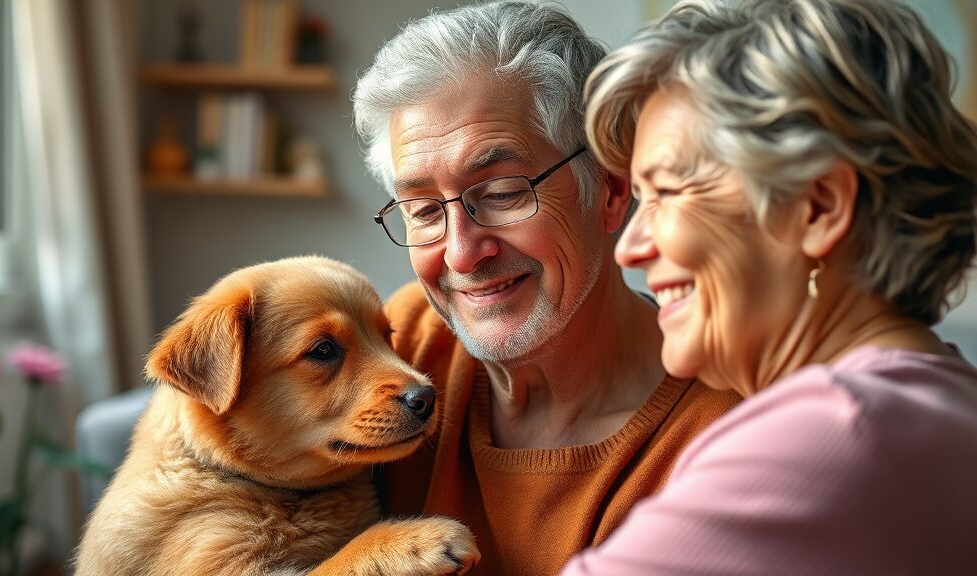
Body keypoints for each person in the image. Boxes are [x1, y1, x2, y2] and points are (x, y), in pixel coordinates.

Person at [561, 0, 977, 573]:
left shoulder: (832, 433)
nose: (631, 247)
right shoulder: (940, 405)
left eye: (667, 193)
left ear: (818, 207)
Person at [352, 2, 741, 574]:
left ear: (609, 189)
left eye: (505, 192)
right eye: (424, 210)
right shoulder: (401, 345)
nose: (461, 253)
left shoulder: (727, 437)